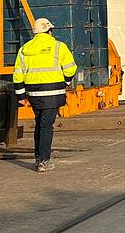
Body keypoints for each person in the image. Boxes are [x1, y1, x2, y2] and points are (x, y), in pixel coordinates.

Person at [12, 18, 77, 172]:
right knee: (47, 126)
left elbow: (18, 74)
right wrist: (65, 83)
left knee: (40, 124)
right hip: (53, 93)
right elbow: (70, 69)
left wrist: (21, 96)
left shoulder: (24, 49)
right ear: (50, 31)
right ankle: (44, 161)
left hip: (34, 94)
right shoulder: (58, 47)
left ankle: (39, 158)